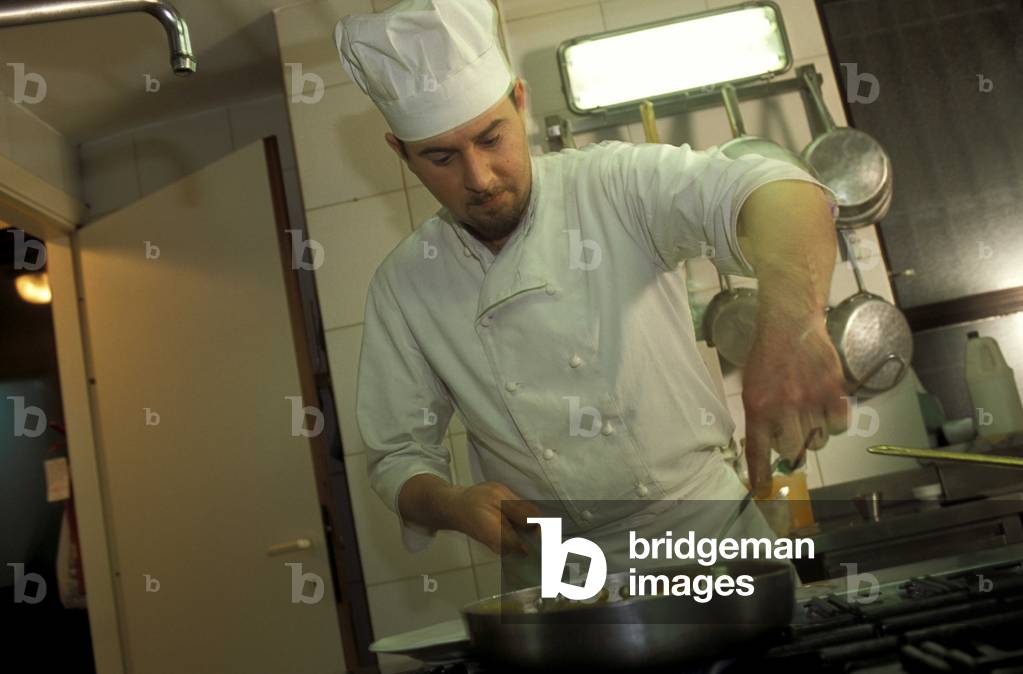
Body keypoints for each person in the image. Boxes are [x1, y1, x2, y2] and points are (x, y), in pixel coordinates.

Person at [336, 0, 849, 587]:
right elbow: (398, 457)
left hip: (712, 537)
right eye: (441, 157)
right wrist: (452, 504)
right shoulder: (405, 284)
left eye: (491, 138)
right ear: (401, 153)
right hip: (557, 571)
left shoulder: (610, 187)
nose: (479, 177)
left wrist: (795, 325)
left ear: (520, 102)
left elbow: (780, 190)